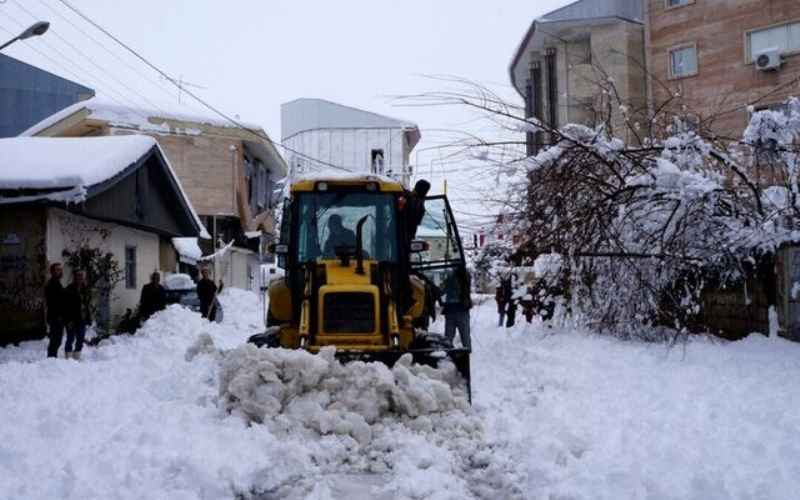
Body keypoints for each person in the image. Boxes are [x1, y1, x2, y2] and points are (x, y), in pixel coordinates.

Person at [63, 270, 91, 360]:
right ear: (75, 277)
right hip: (71, 319)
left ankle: (76, 358)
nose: (80, 278)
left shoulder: (84, 289)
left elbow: (86, 304)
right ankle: (68, 358)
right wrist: (68, 320)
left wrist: (88, 317)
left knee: (80, 338)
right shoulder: (69, 289)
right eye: (78, 276)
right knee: (70, 338)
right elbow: (65, 306)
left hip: (81, 318)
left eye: (81, 276)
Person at [441, 270, 472, 350]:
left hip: (452, 310)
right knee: (465, 336)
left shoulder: (450, 276)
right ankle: (467, 353)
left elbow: (441, 291)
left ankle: (448, 354)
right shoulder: (466, 275)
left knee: (448, 337)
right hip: (461, 310)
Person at [45, 263, 65, 358]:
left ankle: (52, 358)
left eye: (60, 270)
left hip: (58, 316)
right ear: (52, 272)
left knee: (57, 339)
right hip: (55, 316)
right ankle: (51, 359)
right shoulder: (52, 284)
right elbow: (53, 302)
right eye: (57, 270)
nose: (60, 271)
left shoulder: (57, 283)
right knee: (55, 340)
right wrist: (58, 315)